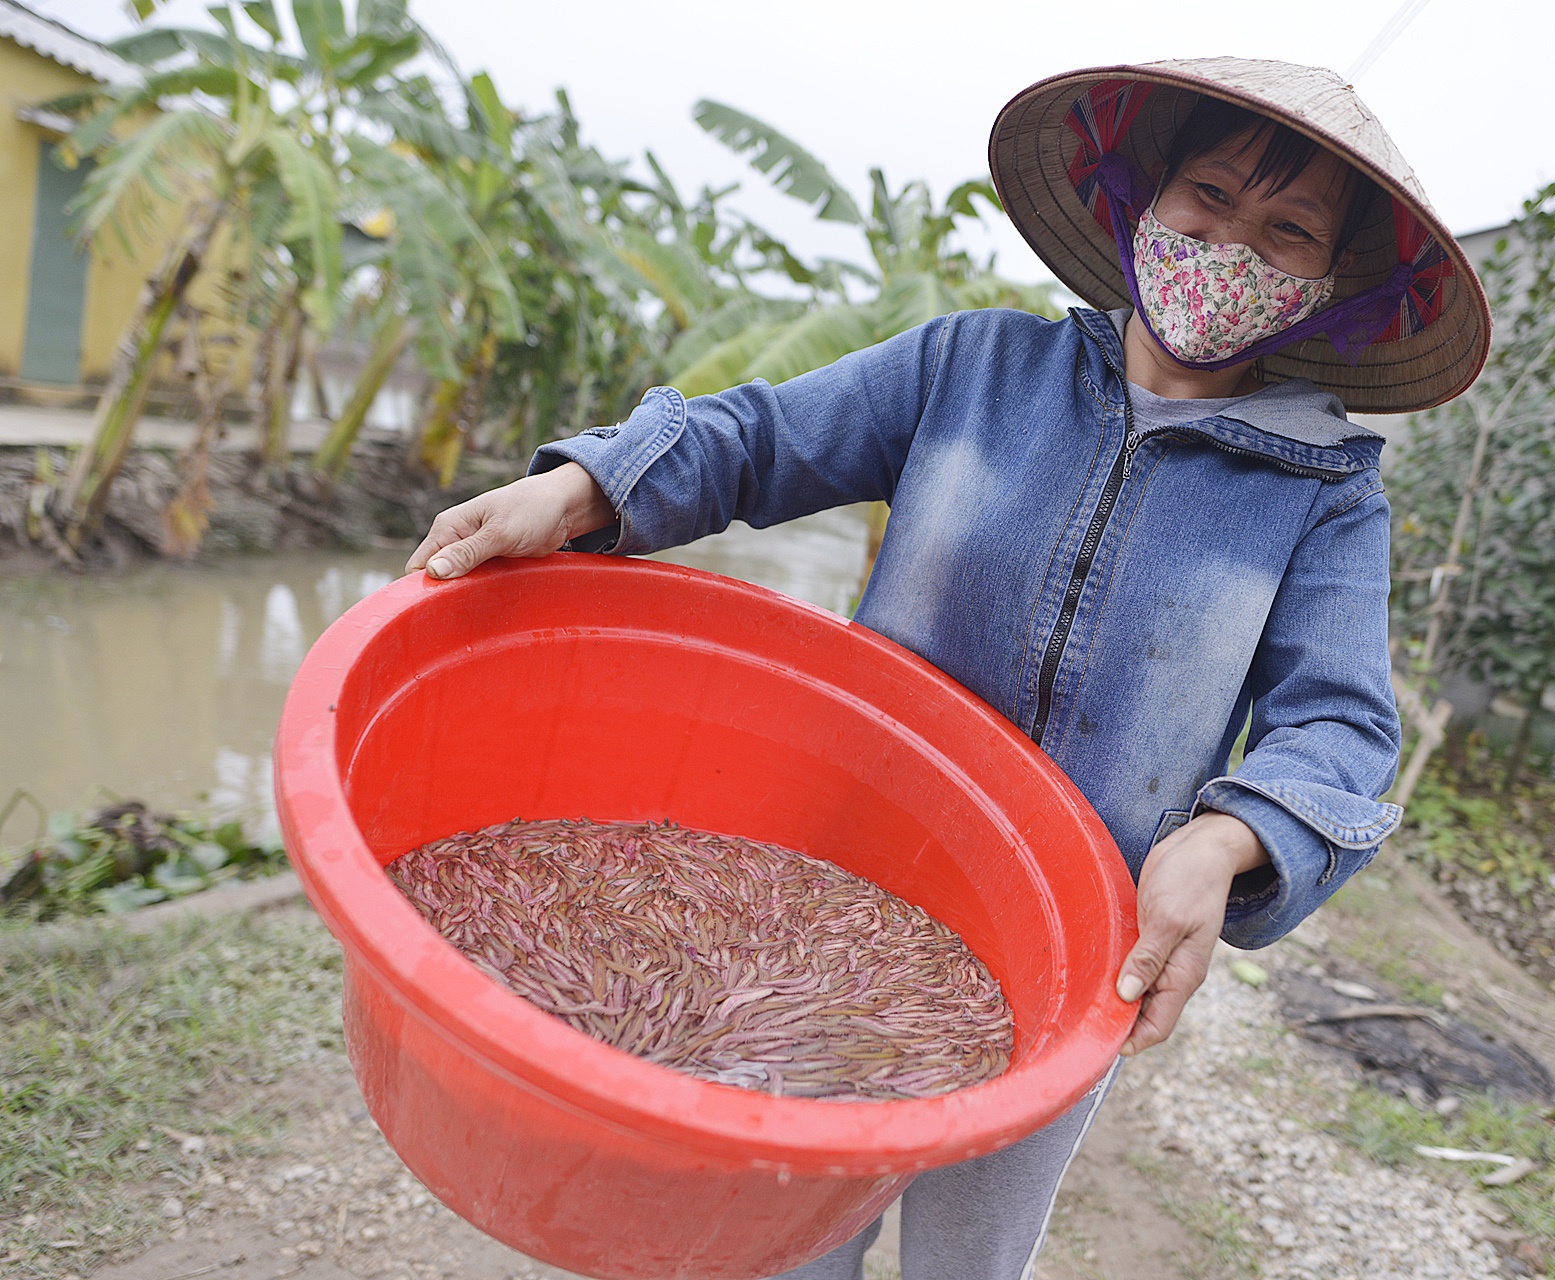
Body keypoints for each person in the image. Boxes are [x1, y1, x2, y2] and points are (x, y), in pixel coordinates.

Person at [406, 58, 1491, 1280]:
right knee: (789, 1214)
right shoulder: (972, 369)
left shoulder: (1324, 496)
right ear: (1141, 198)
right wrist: (584, 482)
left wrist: (1229, 837)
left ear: (1330, 286)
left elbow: (1340, 726)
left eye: (1287, 232)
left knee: (971, 1255)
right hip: (840, 887)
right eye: (1210, 195)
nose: (1233, 243)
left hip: (1070, 945)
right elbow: (760, 439)